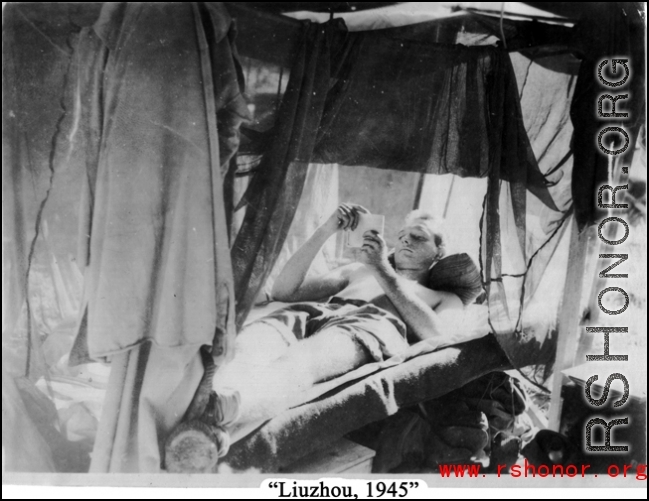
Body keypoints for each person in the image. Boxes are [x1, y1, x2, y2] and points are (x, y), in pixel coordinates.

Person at [211, 204, 464, 430]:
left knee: (303, 359)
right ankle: (212, 398)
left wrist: (382, 269)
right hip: (317, 313)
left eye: (418, 237)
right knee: (248, 344)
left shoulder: (442, 297)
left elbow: (439, 337)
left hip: (369, 326)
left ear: (439, 251)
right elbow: (284, 291)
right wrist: (326, 230)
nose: (405, 241)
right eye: (402, 236)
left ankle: (226, 408)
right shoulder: (359, 270)